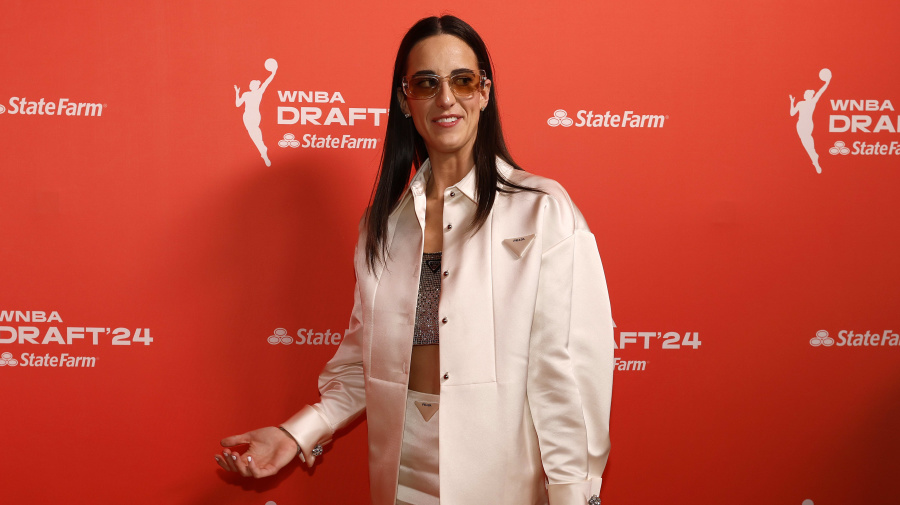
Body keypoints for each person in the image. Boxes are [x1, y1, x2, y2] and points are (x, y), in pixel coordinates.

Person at [215, 15, 614, 505]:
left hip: (502, 486)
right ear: (406, 101)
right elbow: (369, 363)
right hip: (400, 481)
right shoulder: (382, 227)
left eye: (463, 80)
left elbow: (565, 371)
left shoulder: (543, 209)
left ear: (484, 93)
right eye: (426, 83)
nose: (446, 98)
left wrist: (575, 493)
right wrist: (295, 434)